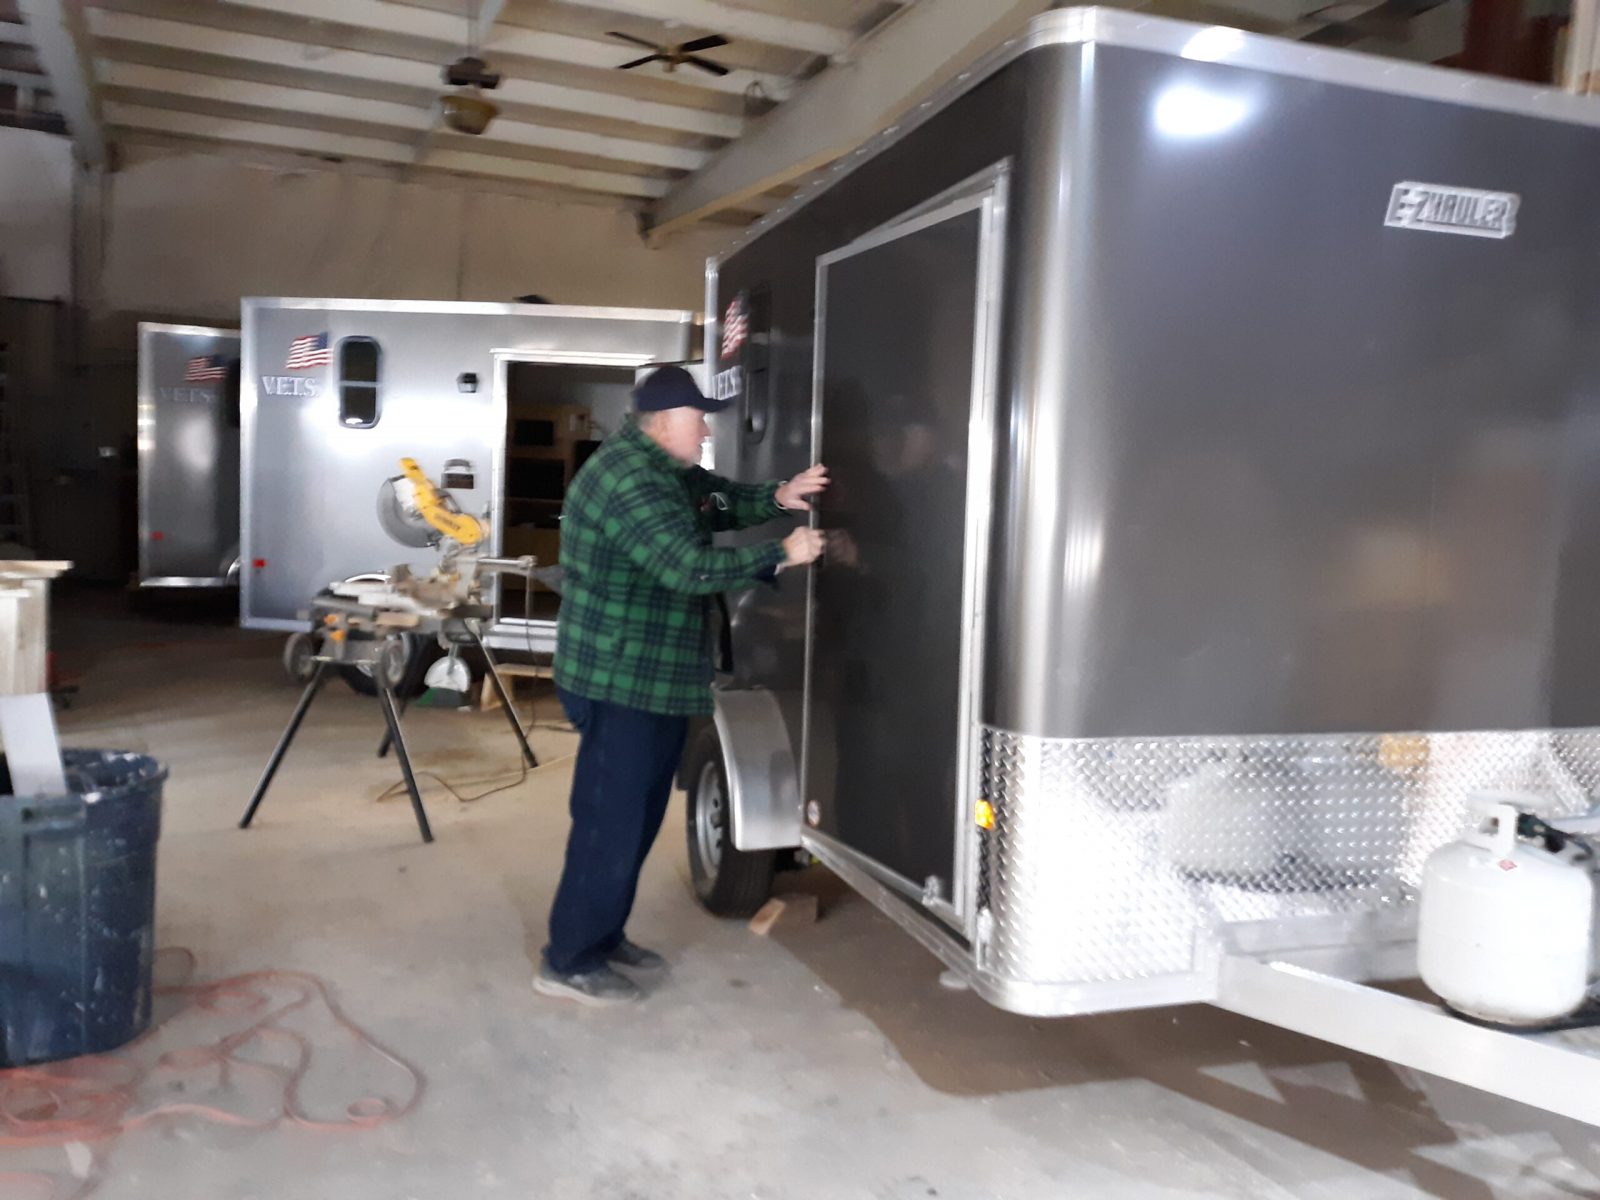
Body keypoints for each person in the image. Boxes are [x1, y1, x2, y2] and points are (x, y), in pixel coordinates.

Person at [535, 365, 828, 1006]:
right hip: (619, 681)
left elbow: (715, 501)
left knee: (636, 822)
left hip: (654, 679)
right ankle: (570, 959)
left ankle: (603, 936)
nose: (706, 433)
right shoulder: (627, 480)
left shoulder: (666, 470)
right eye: (699, 421)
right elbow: (686, 567)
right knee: (609, 825)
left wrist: (780, 496)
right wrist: (781, 553)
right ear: (665, 422)